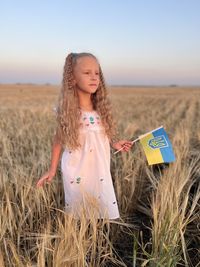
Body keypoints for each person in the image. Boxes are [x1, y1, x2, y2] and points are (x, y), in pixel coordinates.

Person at [36, 52, 133, 220]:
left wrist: (115, 143)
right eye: (87, 73)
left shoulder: (101, 110)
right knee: (79, 214)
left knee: (101, 212)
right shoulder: (68, 111)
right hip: (76, 171)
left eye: (97, 73)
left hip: (100, 169)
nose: (94, 77)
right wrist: (52, 169)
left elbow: (102, 135)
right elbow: (59, 139)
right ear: (72, 78)